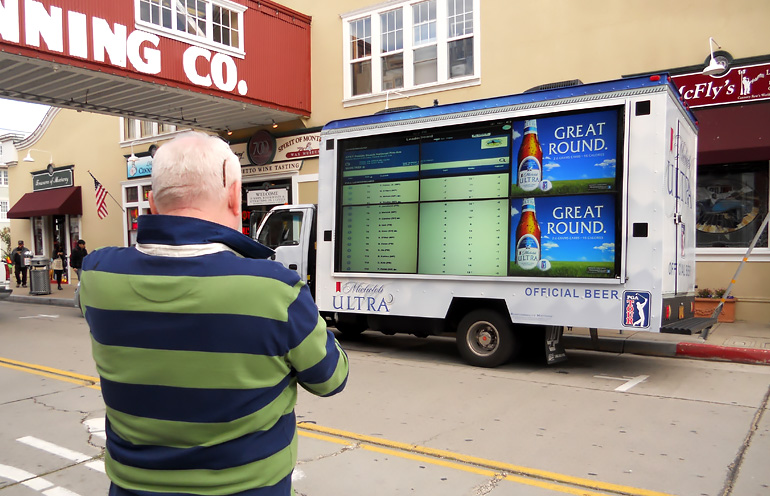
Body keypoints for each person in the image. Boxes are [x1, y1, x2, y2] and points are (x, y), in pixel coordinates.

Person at [79, 131, 349, 496]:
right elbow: (330, 379)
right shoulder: (275, 290)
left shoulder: (98, 274)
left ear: (151, 203)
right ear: (235, 195)